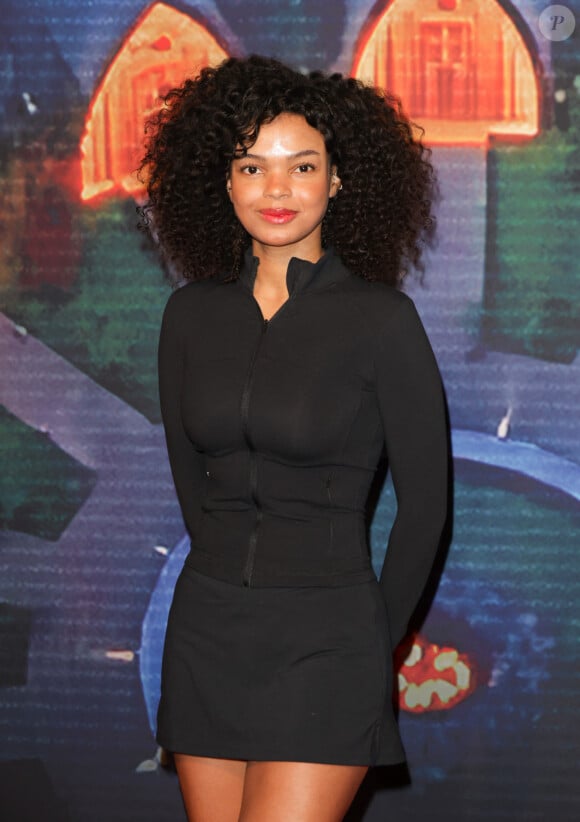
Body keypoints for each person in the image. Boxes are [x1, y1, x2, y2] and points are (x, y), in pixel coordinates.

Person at [139, 55, 448, 822]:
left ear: (338, 179)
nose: (276, 190)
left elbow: (426, 509)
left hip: (329, 637)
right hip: (208, 630)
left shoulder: (381, 321)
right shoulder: (189, 315)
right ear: (224, 181)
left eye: (301, 165)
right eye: (252, 166)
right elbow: (192, 483)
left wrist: (376, 636)